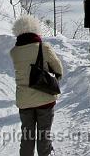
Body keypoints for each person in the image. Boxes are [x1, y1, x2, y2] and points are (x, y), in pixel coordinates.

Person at [10, 15, 63, 156]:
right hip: (45, 98)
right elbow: (58, 69)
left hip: (24, 101)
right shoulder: (44, 47)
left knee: (27, 135)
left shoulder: (14, 52)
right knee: (44, 134)